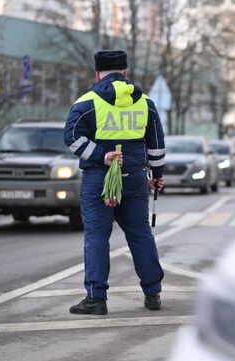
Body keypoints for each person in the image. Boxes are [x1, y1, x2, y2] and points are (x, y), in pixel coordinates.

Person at [64, 50, 165, 315]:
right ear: (125, 72)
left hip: (99, 177)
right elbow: (156, 145)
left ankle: (96, 299)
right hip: (135, 177)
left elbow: (72, 138)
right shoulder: (145, 102)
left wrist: (101, 155)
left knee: (97, 236)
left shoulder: (86, 102)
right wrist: (157, 175)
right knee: (141, 233)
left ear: (98, 74)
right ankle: (153, 293)